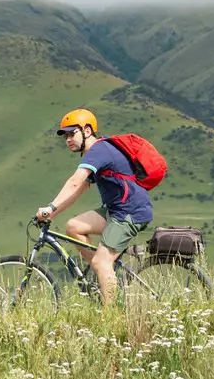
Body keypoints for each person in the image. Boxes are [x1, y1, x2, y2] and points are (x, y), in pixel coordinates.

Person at [35, 108, 152, 306]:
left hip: (130, 212)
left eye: (72, 133)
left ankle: (111, 315)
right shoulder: (95, 153)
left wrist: (50, 207)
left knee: (101, 262)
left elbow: (74, 182)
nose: (68, 140)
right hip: (115, 210)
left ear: (87, 131)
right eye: (65, 136)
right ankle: (103, 276)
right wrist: (51, 214)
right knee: (74, 227)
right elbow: (76, 192)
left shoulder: (99, 150)